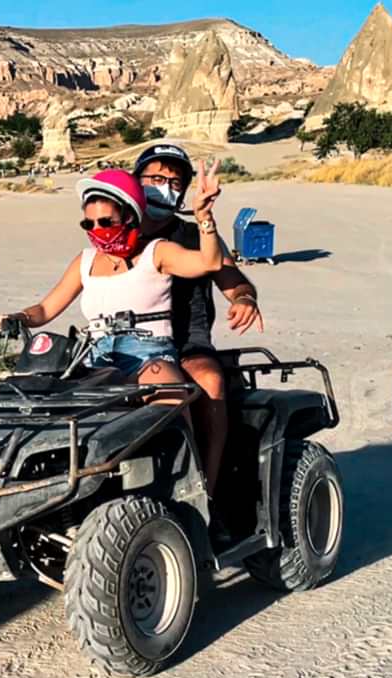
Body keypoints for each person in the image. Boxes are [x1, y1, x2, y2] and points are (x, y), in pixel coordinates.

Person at [0, 164, 225, 403]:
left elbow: (209, 262)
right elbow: (44, 309)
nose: (97, 230)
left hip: (149, 355)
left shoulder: (157, 252)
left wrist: (204, 219)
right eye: (89, 224)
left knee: (167, 392)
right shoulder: (85, 261)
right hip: (94, 356)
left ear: (129, 216)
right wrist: (19, 317)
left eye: (105, 222)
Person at [133, 144, 263, 501]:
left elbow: (234, 282)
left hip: (186, 343)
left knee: (209, 381)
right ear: (136, 181)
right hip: (128, 343)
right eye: (155, 178)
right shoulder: (117, 234)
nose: (165, 187)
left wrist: (244, 299)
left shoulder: (196, 237)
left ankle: (207, 491)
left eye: (175, 182)